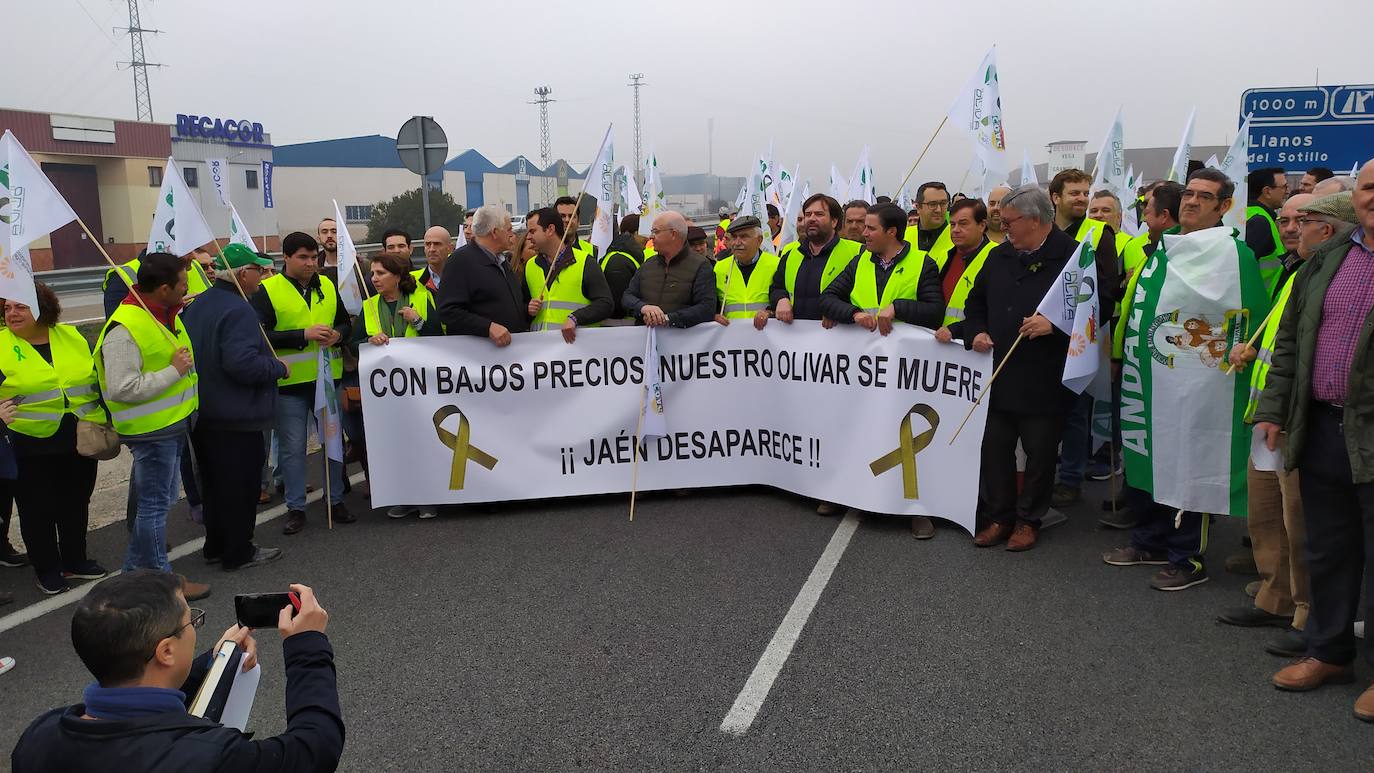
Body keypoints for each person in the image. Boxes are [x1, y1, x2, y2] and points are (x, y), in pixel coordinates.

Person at [1254, 162, 1374, 720]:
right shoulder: (1327, 259)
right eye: (1369, 187)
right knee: (1328, 545)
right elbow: (1290, 344)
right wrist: (1274, 409)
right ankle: (1328, 652)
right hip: (1324, 426)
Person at [11, 571, 344, 771]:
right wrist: (307, 645)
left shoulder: (39, 737)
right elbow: (314, 748)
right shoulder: (207, 757)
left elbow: (146, 700)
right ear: (166, 651)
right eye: (191, 620)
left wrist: (214, 662)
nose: (195, 626)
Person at [1103, 167, 1250, 591]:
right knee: (1154, 456)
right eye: (1189, 193)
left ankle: (1188, 558)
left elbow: (1243, 319)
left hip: (1203, 382)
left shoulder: (1231, 254)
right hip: (1155, 376)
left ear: (1224, 206)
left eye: (1205, 196)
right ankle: (1149, 541)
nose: (1192, 201)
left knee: (1193, 463)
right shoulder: (1165, 248)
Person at [1221, 193, 1355, 658]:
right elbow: (1283, 343)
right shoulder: (1294, 271)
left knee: (1301, 523)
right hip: (1269, 415)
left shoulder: (1333, 276)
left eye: (1303, 219)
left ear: (1330, 228)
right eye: (1286, 219)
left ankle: (1307, 613)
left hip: (1298, 420)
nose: (1290, 228)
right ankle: (1274, 596)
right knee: (1266, 516)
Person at [955, 186, 1079, 552]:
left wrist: (1054, 326)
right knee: (996, 449)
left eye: (1009, 222)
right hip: (999, 373)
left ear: (1035, 220)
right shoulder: (999, 256)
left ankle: (1028, 520)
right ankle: (1000, 516)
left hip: (1045, 376)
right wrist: (976, 331)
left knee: (1040, 454)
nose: (1004, 227)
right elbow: (974, 303)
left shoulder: (1072, 257)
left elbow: (1096, 308)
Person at [819, 203, 944, 540]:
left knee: (907, 433)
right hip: (865, 368)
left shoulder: (923, 263)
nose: (864, 233)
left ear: (892, 232)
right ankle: (854, 496)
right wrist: (853, 314)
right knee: (862, 430)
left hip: (906, 371)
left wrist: (898, 308)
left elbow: (935, 311)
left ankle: (917, 509)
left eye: (871, 228)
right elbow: (827, 297)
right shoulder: (860, 260)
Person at [93, 253, 209, 600]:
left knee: (154, 504)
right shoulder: (125, 329)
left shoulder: (161, 314)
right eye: (183, 284)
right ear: (163, 289)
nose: (187, 289)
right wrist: (173, 371)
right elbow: (122, 388)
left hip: (170, 425)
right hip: (152, 431)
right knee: (155, 507)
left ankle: (133, 574)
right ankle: (164, 583)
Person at [181, 243, 287, 572]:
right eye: (259, 270)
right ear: (243, 274)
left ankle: (215, 545)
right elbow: (241, 364)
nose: (263, 276)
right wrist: (277, 368)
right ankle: (239, 551)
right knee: (240, 486)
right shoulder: (239, 309)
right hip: (237, 413)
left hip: (203, 411)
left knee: (213, 483)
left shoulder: (199, 305)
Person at [0, 283, 107, 595]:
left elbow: (96, 378)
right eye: (7, 308)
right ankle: (47, 569)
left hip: (79, 438)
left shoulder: (71, 336)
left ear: (42, 308)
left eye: (20, 306)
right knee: (37, 510)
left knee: (76, 503)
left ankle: (75, 559)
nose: (11, 313)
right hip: (27, 442)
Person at [252, 232, 353, 536]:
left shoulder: (327, 285)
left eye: (313, 257)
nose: (310, 263)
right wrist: (302, 335)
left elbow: (345, 322)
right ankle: (296, 508)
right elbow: (259, 336)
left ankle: (335, 500)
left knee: (332, 443)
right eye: (303, 258)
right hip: (290, 385)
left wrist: (338, 335)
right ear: (286, 258)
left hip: (327, 380)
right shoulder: (268, 290)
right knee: (293, 449)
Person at [1047, 169, 1122, 509]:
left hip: (1078, 337)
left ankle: (1071, 479)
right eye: (1074, 193)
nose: (1081, 199)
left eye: (1084, 193)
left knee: (1075, 411)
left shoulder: (1098, 233)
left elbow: (1106, 290)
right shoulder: (1043, 229)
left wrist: (1081, 330)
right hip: (1041, 334)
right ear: (1055, 197)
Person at [356, 252, 442, 520]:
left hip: (420, 384)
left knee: (423, 441)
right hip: (386, 390)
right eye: (372, 273)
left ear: (397, 276)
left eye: (381, 273)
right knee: (395, 444)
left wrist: (417, 321)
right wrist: (369, 340)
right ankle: (405, 497)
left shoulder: (422, 297)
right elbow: (352, 341)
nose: (374, 278)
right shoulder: (369, 305)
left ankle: (428, 498)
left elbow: (440, 336)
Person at [437, 205, 526, 346]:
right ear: (495, 232)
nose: (512, 234)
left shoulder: (502, 262)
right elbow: (448, 311)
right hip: (479, 354)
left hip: (509, 351)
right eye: (508, 229)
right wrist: (488, 327)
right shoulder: (460, 261)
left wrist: (526, 310)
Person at [523, 206, 613, 342]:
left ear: (550, 230)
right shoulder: (530, 266)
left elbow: (606, 304)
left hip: (575, 348)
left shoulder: (585, 262)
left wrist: (575, 318)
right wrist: (527, 310)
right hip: (541, 349)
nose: (528, 237)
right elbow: (521, 306)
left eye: (532, 231)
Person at [622, 211, 716, 328]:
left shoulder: (701, 266)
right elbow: (627, 297)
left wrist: (669, 319)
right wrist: (643, 308)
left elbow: (707, 308)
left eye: (656, 232)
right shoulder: (647, 265)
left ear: (673, 234)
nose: (651, 236)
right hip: (647, 337)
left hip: (682, 337)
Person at [933, 198, 998, 331]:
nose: (955, 230)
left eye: (963, 224)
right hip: (937, 338)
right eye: (952, 224)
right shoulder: (943, 256)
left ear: (982, 225)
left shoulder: (998, 257)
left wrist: (958, 330)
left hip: (973, 340)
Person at [713, 216, 781, 325]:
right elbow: (712, 305)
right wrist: (714, 316)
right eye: (734, 237)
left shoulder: (777, 265)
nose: (737, 243)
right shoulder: (719, 268)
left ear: (759, 240)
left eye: (744, 237)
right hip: (732, 334)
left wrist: (770, 313)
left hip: (766, 334)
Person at [1246, 167, 1289, 295]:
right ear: (1267, 191)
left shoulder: (1247, 214)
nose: (1287, 191)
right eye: (1284, 187)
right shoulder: (1259, 221)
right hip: (1257, 301)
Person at [601, 215, 647, 323]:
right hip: (621, 327)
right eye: (644, 232)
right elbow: (618, 304)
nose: (648, 238)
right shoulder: (619, 262)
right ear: (634, 233)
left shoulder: (625, 256)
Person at [906, 182, 951, 253]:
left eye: (943, 203)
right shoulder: (903, 237)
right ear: (918, 207)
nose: (938, 210)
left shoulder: (958, 236)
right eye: (932, 204)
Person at [414, 225, 452, 296]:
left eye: (437, 244)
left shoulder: (463, 278)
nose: (432, 249)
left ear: (450, 248)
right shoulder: (411, 280)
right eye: (428, 244)